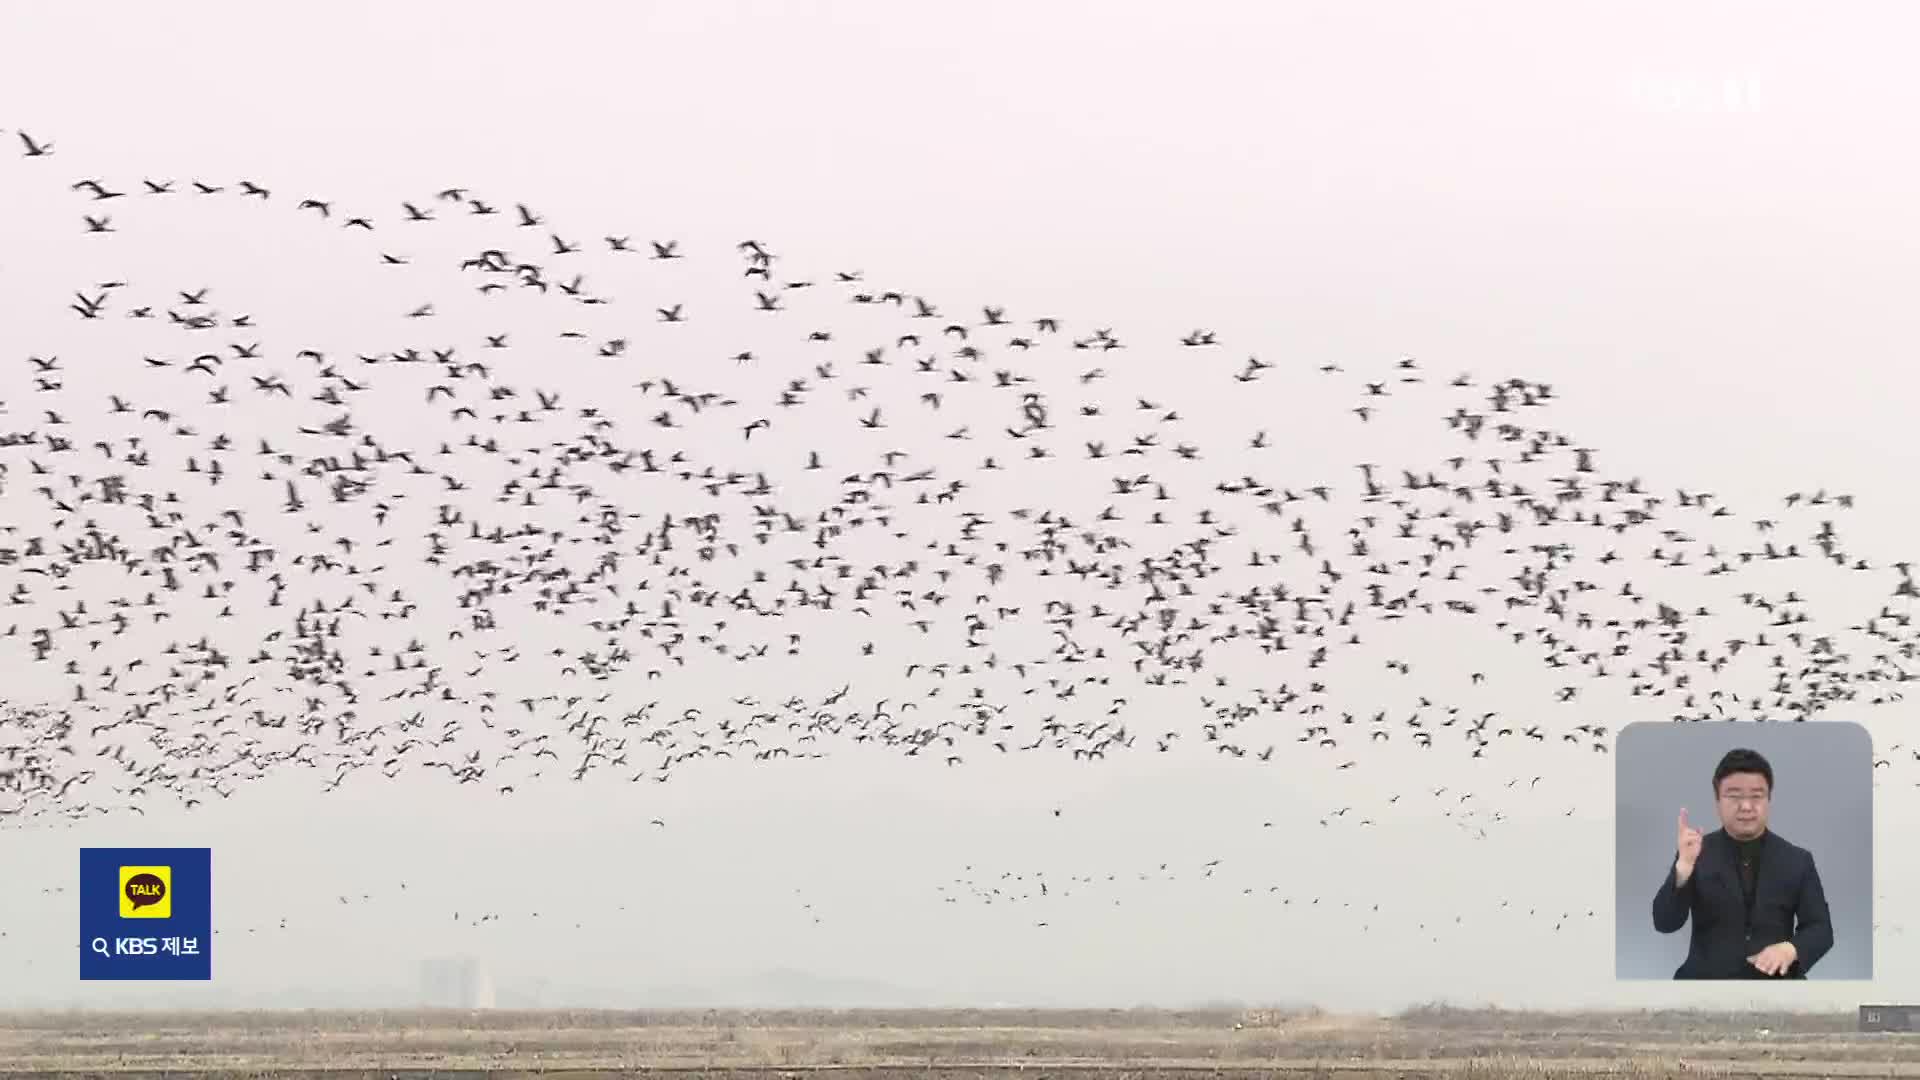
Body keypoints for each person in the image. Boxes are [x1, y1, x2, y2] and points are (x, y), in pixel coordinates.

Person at [1650, 747, 1833, 979]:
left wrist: (1790, 949)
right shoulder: (1695, 852)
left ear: (1769, 799)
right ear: (1717, 800)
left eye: (1756, 796)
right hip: (1705, 985)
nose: (1746, 806)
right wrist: (1684, 866)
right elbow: (1665, 923)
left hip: (1777, 985)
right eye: (1734, 796)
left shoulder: (1798, 860)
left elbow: (1821, 929)